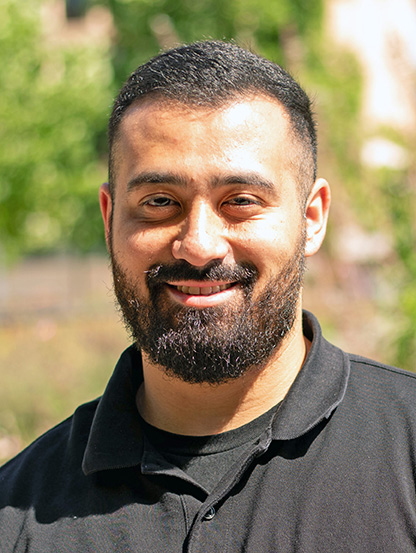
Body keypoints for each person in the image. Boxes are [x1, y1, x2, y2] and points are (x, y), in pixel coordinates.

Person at [1, 40, 416, 552]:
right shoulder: (15, 513)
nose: (198, 246)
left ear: (311, 218)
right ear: (109, 219)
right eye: (159, 202)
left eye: (240, 201)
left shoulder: (408, 452)